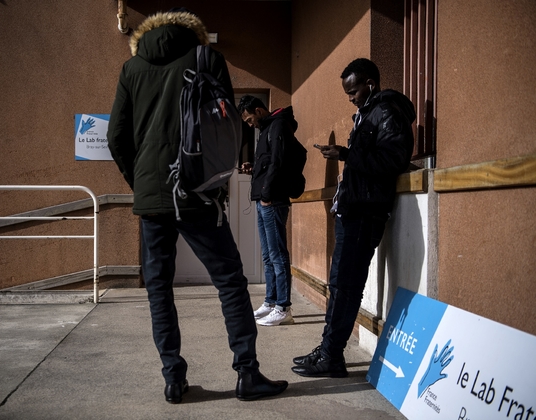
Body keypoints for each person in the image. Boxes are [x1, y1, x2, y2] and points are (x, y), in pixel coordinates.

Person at [106, 8, 288, 403]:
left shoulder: (131, 68)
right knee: (229, 281)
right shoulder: (206, 58)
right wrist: (218, 180)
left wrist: (141, 183)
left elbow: (116, 136)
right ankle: (247, 373)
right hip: (199, 192)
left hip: (152, 199)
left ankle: (173, 378)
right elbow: (226, 126)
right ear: (193, 31)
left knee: (159, 288)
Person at [292, 58, 415, 377]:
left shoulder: (387, 112)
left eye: (354, 91)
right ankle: (328, 350)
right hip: (354, 209)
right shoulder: (371, 112)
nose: (350, 97)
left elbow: (393, 159)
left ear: (370, 84)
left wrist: (346, 155)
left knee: (345, 286)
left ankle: (332, 356)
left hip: (365, 212)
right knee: (340, 285)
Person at [237, 96, 298, 327]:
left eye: (250, 119)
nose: (250, 124)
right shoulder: (266, 129)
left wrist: (266, 195)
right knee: (268, 255)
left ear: (260, 110)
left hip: (272, 200)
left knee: (278, 254)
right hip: (264, 199)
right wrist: (254, 169)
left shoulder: (278, 125)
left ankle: (283, 307)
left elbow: (278, 162)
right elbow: (268, 162)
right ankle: (271, 301)